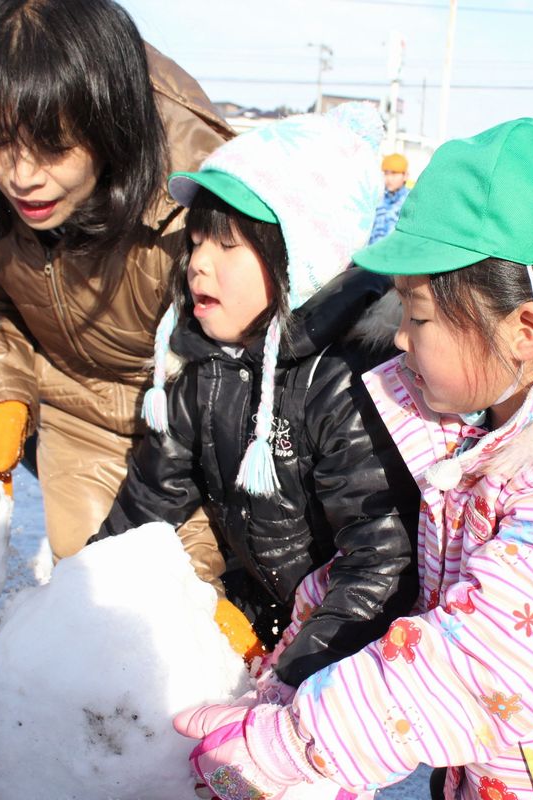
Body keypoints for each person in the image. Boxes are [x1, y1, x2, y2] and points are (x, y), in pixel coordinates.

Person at [173, 118, 533, 799]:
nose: (398, 338)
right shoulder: (486, 420)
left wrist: (292, 745)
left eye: (418, 316)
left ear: (526, 329)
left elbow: (476, 665)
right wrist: (282, 688)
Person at [89, 103, 419, 692]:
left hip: (340, 664)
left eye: (227, 246)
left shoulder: (348, 383)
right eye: (194, 243)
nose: (198, 265)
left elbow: (381, 562)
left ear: (301, 258)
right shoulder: (205, 373)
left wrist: (294, 686)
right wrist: (73, 605)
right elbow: (139, 517)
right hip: (265, 623)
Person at [0, 0, 234, 561]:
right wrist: (3, 397)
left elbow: (235, 382)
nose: (21, 177)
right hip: (78, 406)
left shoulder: (202, 191)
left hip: (199, 426)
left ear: (111, 123)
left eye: (52, 147)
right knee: (99, 595)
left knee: (195, 613)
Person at [368, 152, 409, 244]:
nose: (389, 178)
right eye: (386, 173)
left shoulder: (410, 201)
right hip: (371, 254)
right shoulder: (377, 198)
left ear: (405, 176)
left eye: (394, 174)